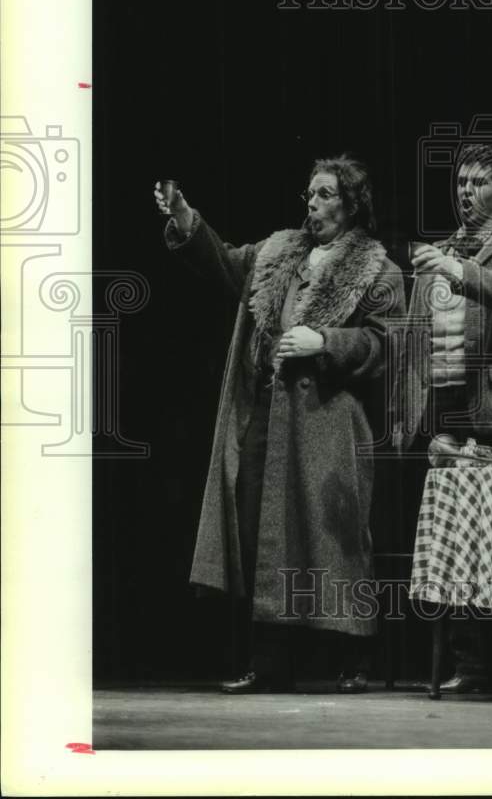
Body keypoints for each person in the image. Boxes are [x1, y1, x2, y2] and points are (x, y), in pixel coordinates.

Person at [154, 155, 405, 693]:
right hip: (266, 411)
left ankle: (354, 657)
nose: (312, 204)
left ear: (352, 203)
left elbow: (389, 344)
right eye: (309, 194)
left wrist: (327, 341)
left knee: (334, 537)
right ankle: (265, 661)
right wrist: (183, 217)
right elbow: (221, 260)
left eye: (325, 194)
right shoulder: (278, 253)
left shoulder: (378, 270)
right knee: (258, 531)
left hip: (329, 422)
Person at [394, 142, 492, 693]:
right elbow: (416, 335)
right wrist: (407, 407)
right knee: (456, 539)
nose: (465, 190)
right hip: (447, 409)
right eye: (460, 181)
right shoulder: (437, 253)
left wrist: (457, 269)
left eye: (479, 182)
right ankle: (470, 663)